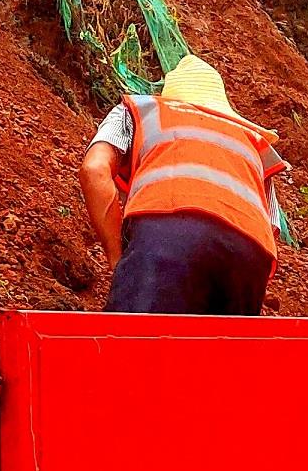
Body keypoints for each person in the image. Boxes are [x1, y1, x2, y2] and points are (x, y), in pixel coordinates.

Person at [79, 54, 288, 315]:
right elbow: (273, 227)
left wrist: (117, 259)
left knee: (134, 348)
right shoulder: (252, 141)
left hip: (169, 234)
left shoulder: (141, 110)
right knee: (219, 355)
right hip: (250, 253)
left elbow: (94, 169)